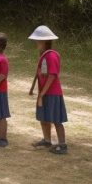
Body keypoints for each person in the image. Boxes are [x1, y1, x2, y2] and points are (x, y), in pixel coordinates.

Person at [29, 25, 68, 155]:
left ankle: (62, 144)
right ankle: (47, 140)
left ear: (44, 41)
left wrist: (42, 94)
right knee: (44, 117)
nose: (36, 43)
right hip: (44, 92)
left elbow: (52, 76)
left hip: (52, 93)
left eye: (38, 41)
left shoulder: (51, 56)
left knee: (56, 119)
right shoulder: (44, 55)